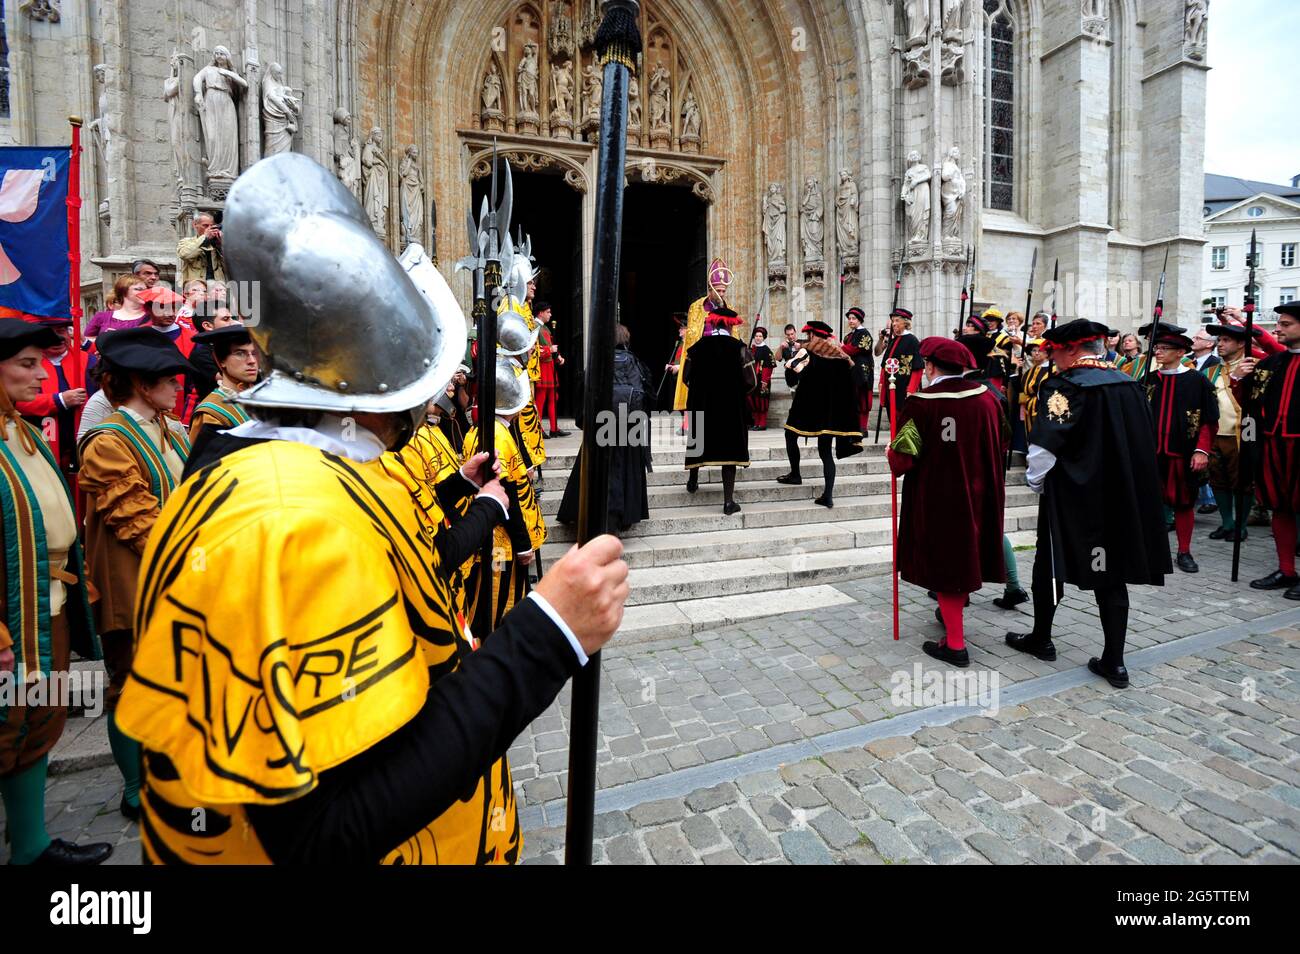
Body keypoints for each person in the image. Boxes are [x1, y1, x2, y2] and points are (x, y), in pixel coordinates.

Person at [113, 158, 628, 864]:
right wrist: (547, 635)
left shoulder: (301, 474)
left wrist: (456, 496)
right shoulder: (286, 518)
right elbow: (322, 835)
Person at [0, 319, 110, 866]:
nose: (41, 371)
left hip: (50, 606)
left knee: (36, 725)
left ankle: (31, 845)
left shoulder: (19, 430)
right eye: (24, 363)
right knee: (4, 728)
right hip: (9, 619)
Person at [1007, 319, 1169, 688]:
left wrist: (1035, 481)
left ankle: (1041, 636)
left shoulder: (1064, 385)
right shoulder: (1130, 385)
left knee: (1048, 562)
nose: (1052, 358)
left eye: (1054, 351)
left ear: (1071, 349)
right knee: (1110, 571)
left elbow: (1047, 443)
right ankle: (1115, 660)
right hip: (1120, 493)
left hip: (1073, 493)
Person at [77, 327, 195, 821]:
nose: (179, 388)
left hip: (177, 574)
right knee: (129, 684)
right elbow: (136, 519)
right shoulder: (107, 441)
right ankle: (134, 788)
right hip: (135, 584)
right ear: (142, 385)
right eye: (170, 380)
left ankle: (172, 773)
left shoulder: (171, 429)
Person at [888, 337, 1006, 666]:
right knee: (966, 557)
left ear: (929, 367)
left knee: (949, 564)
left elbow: (902, 460)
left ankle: (955, 645)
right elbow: (1004, 440)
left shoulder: (922, 402)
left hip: (940, 497)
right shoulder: (988, 399)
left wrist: (890, 453)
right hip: (981, 494)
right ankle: (949, 613)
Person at [462, 360, 547, 633]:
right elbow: (505, 497)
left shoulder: (488, 430)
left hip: (496, 535)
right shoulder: (498, 436)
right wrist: (523, 544)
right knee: (496, 606)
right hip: (501, 540)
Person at [1232, 302, 1300, 601]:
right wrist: (1239, 379)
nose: (1279, 328)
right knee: (1279, 506)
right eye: (1279, 323)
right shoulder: (1273, 364)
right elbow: (1250, 401)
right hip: (1273, 443)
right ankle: (1286, 570)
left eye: (1286, 324)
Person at [558, 323, 653, 532]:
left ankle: (582, 513)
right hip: (629, 427)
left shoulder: (597, 362)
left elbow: (584, 393)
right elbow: (645, 396)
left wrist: (586, 423)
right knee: (626, 471)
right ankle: (624, 517)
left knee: (595, 470)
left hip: (601, 425)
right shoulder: (634, 362)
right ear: (625, 339)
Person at [1147, 330, 1218, 573]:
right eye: (1157, 347)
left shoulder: (1197, 381)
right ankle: (1152, 550)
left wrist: (1202, 450)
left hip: (1182, 452)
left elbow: (1210, 420)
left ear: (1180, 352)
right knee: (1151, 504)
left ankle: (1184, 550)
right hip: (1151, 454)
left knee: (1184, 504)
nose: (1158, 351)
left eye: (1164, 348)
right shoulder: (1149, 380)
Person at [778, 320, 862, 508]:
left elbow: (791, 375)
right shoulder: (842, 356)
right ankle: (828, 496)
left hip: (807, 407)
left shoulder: (808, 351)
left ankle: (795, 474)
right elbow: (857, 379)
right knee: (825, 452)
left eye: (810, 335)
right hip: (832, 412)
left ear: (813, 335)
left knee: (790, 435)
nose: (808, 337)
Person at [684, 308, 754, 515]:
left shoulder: (696, 349)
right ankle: (728, 502)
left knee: (699, 442)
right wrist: (738, 392)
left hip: (702, 404)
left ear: (713, 324)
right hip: (730, 407)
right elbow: (751, 381)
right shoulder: (740, 348)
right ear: (731, 325)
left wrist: (701, 391)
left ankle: (693, 481)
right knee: (729, 451)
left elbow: (686, 377)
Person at [15, 317, 96, 481]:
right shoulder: (25, 364)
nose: (58, 338)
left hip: (83, 444)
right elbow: (17, 401)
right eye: (50, 332)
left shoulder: (88, 361)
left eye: (62, 331)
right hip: (42, 443)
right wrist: (59, 400)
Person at [1201, 320, 1260, 542]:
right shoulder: (1210, 371)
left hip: (1243, 435)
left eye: (1226, 340)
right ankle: (1226, 523)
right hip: (1216, 434)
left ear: (1240, 344)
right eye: (1219, 340)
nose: (1220, 344)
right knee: (1218, 481)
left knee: (1243, 483)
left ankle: (1240, 525)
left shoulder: (1253, 365)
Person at [673, 257, 740, 412]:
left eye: (724, 291)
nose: (721, 294)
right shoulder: (696, 307)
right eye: (719, 290)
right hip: (703, 361)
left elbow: (734, 337)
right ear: (710, 289)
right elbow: (692, 337)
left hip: (723, 362)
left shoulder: (729, 308)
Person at [186, 324, 259, 446]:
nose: (252, 361)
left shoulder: (266, 398)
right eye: (240, 353)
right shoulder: (210, 413)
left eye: (255, 353)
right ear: (221, 361)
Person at [874, 308, 923, 422]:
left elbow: (918, 368)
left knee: (902, 421)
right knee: (893, 421)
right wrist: (882, 384)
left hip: (903, 389)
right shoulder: (894, 340)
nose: (894, 324)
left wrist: (910, 390)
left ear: (905, 323)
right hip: (890, 388)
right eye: (892, 321)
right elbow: (884, 365)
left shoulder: (912, 340)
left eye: (897, 321)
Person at [533, 301, 567, 437]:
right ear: (540, 313)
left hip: (550, 366)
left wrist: (558, 356)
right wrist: (549, 350)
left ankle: (554, 428)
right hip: (541, 367)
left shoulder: (545, 328)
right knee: (540, 399)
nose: (550, 314)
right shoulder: (534, 327)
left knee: (553, 397)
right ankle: (538, 429)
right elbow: (533, 349)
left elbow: (550, 345)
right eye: (548, 312)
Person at [840, 307, 875, 431]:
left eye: (853, 318)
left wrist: (841, 347)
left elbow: (855, 349)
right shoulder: (849, 335)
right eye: (849, 318)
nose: (850, 321)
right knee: (852, 399)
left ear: (860, 320)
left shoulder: (864, 333)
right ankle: (852, 426)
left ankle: (862, 428)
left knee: (862, 400)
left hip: (862, 372)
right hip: (851, 372)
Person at [85, 274, 147, 340]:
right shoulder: (102, 317)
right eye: (139, 289)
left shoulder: (151, 317)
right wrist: (104, 338)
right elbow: (87, 340)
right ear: (124, 292)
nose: (145, 292)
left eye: (146, 289)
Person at [177, 211, 228, 284]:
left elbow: (230, 266)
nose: (209, 229)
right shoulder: (186, 242)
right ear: (195, 225)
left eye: (212, 226)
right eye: (205, 226)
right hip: (195, 286)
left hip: (216, 286)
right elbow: (185, 254)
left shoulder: (217, 242)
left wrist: (221, 245)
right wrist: (205, 238)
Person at [748, 326, 777, 430]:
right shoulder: (751, 349)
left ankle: (762, 424)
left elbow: (769, 367)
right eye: (756, 336)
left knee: (762, 402)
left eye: (760, 336)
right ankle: (756, 423)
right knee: (753, 401)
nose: (758, 338)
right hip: (752, 381)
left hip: (762, 381)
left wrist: (764, 381)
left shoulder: (766, 350)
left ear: (763, 337)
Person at [775, 323, 802, 390]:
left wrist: (801, 346)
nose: (790, 336)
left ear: (795, 332)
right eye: (788, 335)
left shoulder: (802, 342)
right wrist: (781, 347)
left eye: (792, 334)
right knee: (794, 398)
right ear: (785, 335)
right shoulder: (785, 346)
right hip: (791, 378)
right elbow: (777, 358)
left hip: (803, 376)